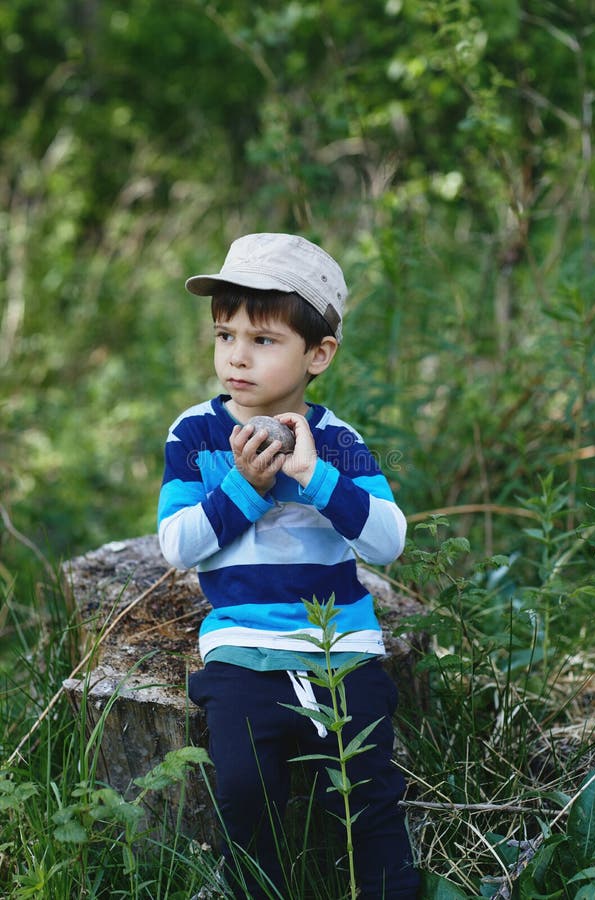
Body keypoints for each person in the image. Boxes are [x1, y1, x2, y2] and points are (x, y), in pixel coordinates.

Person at [157, 233, 420, 899]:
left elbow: (388, 541)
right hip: (242, 645)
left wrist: (318, 478)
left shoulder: (337, 442)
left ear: (318, 354)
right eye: (225, 335)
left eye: (264, 340)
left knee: (367, 792)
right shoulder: (197, 435)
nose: (236, 356)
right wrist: (243, 488)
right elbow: (178, 545)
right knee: (243, 788)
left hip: (339, 646)